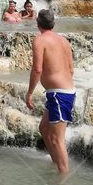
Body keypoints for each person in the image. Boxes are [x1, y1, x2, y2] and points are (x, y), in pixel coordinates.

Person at [26, 10, 75, 175]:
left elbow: (37, 69)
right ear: (52, 24)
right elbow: (71, 69)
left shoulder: (39, 40)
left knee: (56, 139)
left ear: (38, 23)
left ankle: (63, 177)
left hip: (59, 94)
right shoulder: (63, 40)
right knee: (44, 128)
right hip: (64, 92)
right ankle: (57, 164)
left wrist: (30, 93)